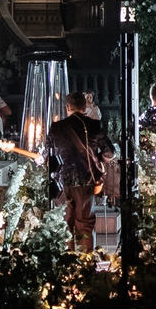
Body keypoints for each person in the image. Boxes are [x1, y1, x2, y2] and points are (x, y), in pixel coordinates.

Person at [43, 91, 105, 248]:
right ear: (84, 107)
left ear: (67, 107)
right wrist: (98, 159)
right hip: (86, 181)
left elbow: (46, 155)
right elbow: (110, 152)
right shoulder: (94, 125)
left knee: (64, 225)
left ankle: (68, 260)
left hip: (62, 183)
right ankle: (86, 260)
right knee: (85, 225)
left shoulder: (56, 127)